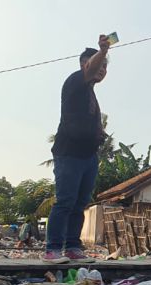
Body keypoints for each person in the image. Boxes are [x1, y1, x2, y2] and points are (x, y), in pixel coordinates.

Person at [43, 35, 110, 264]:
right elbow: (90, 69)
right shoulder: (75, 81)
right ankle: (52, 250)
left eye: (105, 67)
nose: (102, 70)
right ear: (86, 65)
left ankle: (72, 247)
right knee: (65, 201)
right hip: (69, 153)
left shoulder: (91, 92)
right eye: (99, 65)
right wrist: (103, 50)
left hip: (88, 156)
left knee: (80, 204)